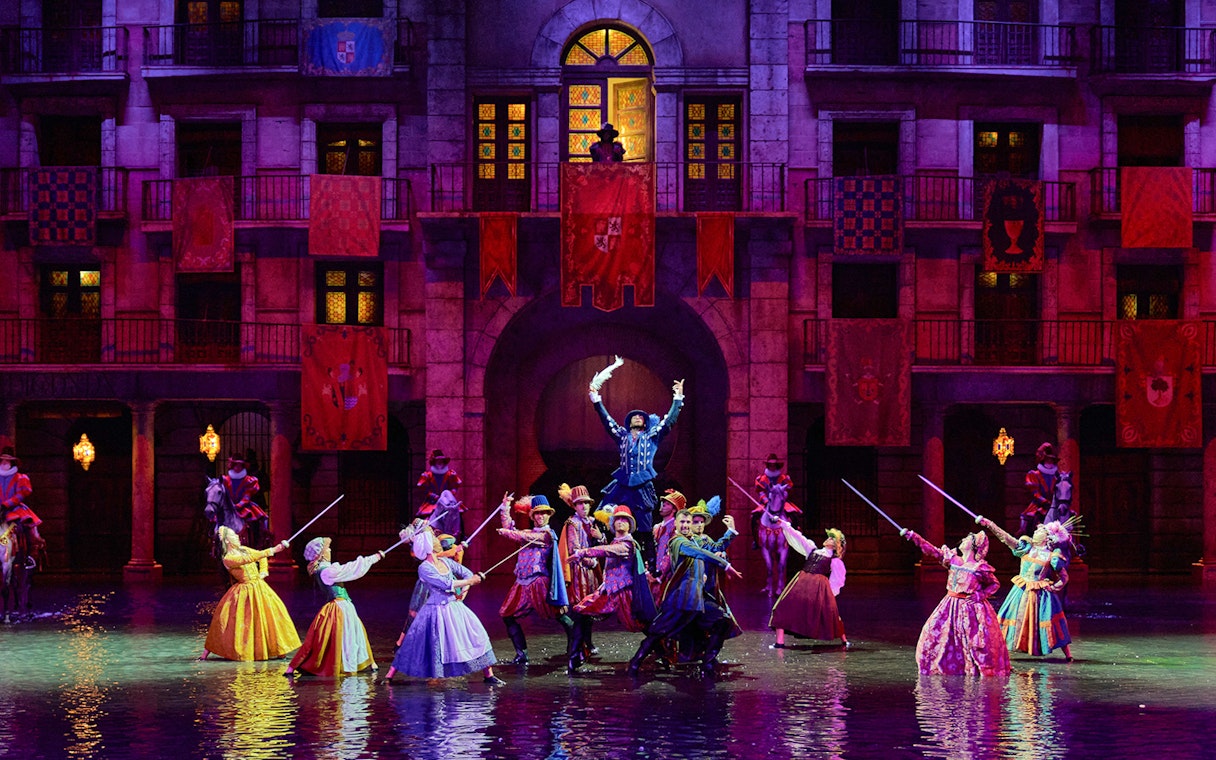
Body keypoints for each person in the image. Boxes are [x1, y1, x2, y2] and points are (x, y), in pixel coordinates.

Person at [588, 356, 684, 571]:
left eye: (641, 417)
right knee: (604, 514)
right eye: (635, 417)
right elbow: (607, 420)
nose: (638, 418)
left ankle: (650, 565)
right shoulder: (621, 435)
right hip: (622, 484)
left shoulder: (652, 437)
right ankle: (599, 557)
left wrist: (678, 399)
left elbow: (668, 422)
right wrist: (596, 400)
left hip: (641, 486)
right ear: (629, 422)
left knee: (644, 527)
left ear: (646, 422)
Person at [627, 508, 742, 677]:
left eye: (689, 522)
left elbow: (715, 547)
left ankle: (708, 662)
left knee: (722, 621)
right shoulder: (678, 542)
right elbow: (701, 553)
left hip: (698, 599)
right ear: (676, 523)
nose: (686, 525)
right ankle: (636, 662)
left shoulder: (695, 540)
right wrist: (726, 566)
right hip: (681, 599)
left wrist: (730, 531)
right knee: (658, 632)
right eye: (683, 522)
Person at [384, 529, 504, 685]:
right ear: (429, 546)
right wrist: (469, 582)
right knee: (415, 642)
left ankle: (488, 675)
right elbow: (446, 584)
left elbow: (467, 573)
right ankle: (390, 674)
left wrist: (466, 589)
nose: (436, 541)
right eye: (433, 540)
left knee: (476, 635)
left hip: (454, 607)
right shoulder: (424, 568)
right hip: (434, 611)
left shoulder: (445, 562)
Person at [901, 528, 1010, 677]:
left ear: (973, 546)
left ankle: (973, 667)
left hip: (970, 607)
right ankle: (941, 666)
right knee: (933, 633)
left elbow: (994, 584)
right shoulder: (953, 559)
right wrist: (914, 536)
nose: (963, 540)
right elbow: (932, 550)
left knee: (974, 641)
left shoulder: (979, 568)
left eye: (967, 539)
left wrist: (980, 595)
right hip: (949, 604)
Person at [567, 505, 655, 673]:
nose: (621, 522)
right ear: (613, 524)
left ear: (630, 525)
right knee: (580, 611)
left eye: (625, 520)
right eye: (618, 520)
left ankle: (662, 651)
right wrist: (603, 586)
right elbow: (610, 567)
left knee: (643, 626)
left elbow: (607, 551)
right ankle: (575, 657)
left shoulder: (628, 544)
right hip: (609, 592)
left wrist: (582, 552)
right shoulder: (615, 541)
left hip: (624, 593)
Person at [975, 514, 1073, 661]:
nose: (1036, 530)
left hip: (1039, 594)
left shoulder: (1051, 556)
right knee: (1010, 618)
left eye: (1041, 530)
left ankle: (1068, 654)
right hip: (1020, 590)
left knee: (1047, 622)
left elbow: (1064, 577)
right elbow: (1006, 538)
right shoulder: (1026, 547)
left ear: (1047, 538)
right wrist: (989, 524)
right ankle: (999, 649)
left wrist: (1055, 587)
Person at [284, 537, 382, 678]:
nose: (330, 550)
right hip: (339, 607)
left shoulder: (326, 569)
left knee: (356, 633)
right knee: (341, 637)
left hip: (344, 605)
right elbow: (351, 569)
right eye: (327, 549)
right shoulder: (326, 571)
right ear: (322, 554)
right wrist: (373, 558)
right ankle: (337, 664)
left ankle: (369, 662)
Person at [199, 527, 300, 661]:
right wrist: (272, 550)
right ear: (227, 541)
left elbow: (260, 556)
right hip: (244, 591)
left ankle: (278, 649)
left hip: (260, 587)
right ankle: (208, 653)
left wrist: (263, 572)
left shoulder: (244, 549)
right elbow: (250, 558)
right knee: (237, 621)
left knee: (270, 617)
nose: (237, 537)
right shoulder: (228, 558)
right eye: (234, 535)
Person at [496, 494, 575, 665]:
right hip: (522, 583)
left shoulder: (547, 535)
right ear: (532, 516)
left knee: (559, 615)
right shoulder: (528, 532)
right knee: (507, 615)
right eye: (537, 513)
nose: (541, 516)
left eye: (544, 513)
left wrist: (508, 532)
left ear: (549, 515)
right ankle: (521, 654)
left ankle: (575, 645)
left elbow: (519, 536)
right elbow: (513, 529)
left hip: (539, 582)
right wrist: (505, 506)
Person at [768, 519, 848, 649]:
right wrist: (783, 524)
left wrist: (830, 594)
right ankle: (780, 642)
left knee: (830, 613)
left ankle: (843, 638)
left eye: (832, 539)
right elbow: (799, 538)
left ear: (835, 546)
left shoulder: (834, 561)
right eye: (829, 537)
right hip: (801, 584)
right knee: (782, 607)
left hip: (818, 588)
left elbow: (838, 579)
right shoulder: (812, 549)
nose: (828, 539)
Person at [558, 484, 604, 656]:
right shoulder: (573, 523)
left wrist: (600, 537)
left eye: (586, 503)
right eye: (579, 503)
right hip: (580, 571)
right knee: (580, 610)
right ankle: (577, 647)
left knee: (590, 610)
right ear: (574, 506)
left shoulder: (592, 522)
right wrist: (590, 562)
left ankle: (588, 643)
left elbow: (602, 545)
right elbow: (574, 549)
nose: (583, 506)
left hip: (592, 571)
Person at [0, 447, 44, 549]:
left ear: (12, 463)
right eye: (2, 460)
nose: (4, 463)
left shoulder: (20, 477)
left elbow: (22, 493)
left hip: (14, 509)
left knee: (23, 526)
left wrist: (7, 504)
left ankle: (28, 554)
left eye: (7, 461)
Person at [416, 450, 465, 539]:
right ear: (434, 462)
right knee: (424, 517)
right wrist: (433, 495)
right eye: (438, 462)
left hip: (447, 499)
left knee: (458, 513)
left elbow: (456, 484)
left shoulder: (450, 474)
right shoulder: (428, 474)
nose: (440, 464)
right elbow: (422, 487)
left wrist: (451, 494)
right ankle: (420, 536)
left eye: (442, 462)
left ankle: (461, 535)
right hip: (433, 501)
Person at [223, 454, 268, 547]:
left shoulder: (249, 480)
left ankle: (256, 542)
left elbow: (247, 496)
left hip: (245, 506)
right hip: (229, 506)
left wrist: (239, 505)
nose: (238, 467)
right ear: (232, 466)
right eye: (236, 465)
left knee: (257, 521)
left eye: (240, 465)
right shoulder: (225, 480)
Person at [753, 453, 795, 548]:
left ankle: (793, 540)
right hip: (767, 502)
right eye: (770, 465)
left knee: (794, 516)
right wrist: (766, 501)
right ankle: (756, 541)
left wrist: (783, 498)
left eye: (774, 465)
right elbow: (760, 491)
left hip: (782, 502)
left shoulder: (784, 478)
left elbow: (788, 489)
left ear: (777, 465)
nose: (772, 467)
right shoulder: (762, 479)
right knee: (754, 517)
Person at [1021, 443, 1063, 536]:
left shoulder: (1057, 476)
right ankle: (1025, 539)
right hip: (1039, 505)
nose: (1050, 462)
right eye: (1048, 459)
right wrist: (1045, 502)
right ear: (1043, 459)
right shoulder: (1034, 474)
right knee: (1029, 519)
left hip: (1054, 504)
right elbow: (1035, 493)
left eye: (1052, 460)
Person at [652, 490, 684, 585]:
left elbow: (671, 553)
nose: (663, 506)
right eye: (663, 503)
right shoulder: (656, 527)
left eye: (667, 504)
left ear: (674, 509)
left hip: (668, 576)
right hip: (654, 571)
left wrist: (660, 574)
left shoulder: (676, 528)